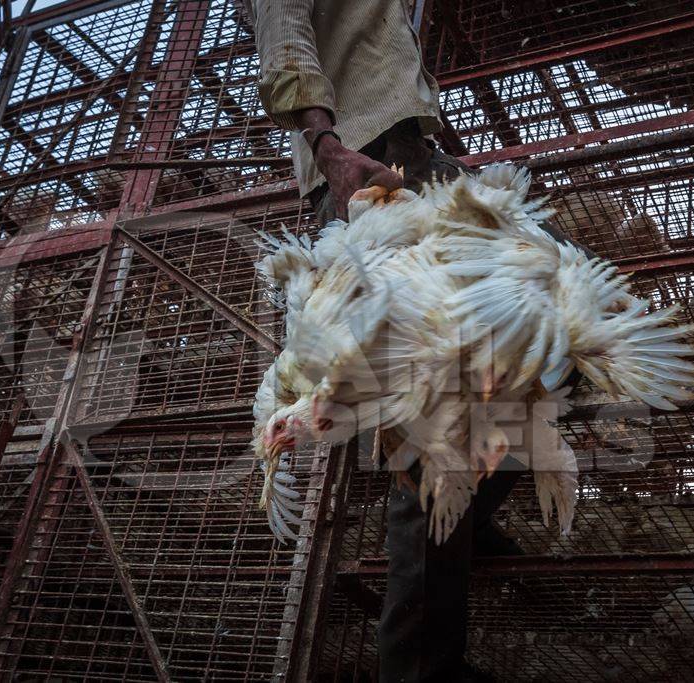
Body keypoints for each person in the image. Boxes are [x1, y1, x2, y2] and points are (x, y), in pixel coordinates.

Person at [246, 1, 527, 680]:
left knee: (555, 322)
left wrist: (437, 157)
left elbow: (393, 75)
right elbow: (283, 37)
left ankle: (469, 511)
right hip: (364, 166)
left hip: (414, 160)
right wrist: (328, 148)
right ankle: (417, 666)